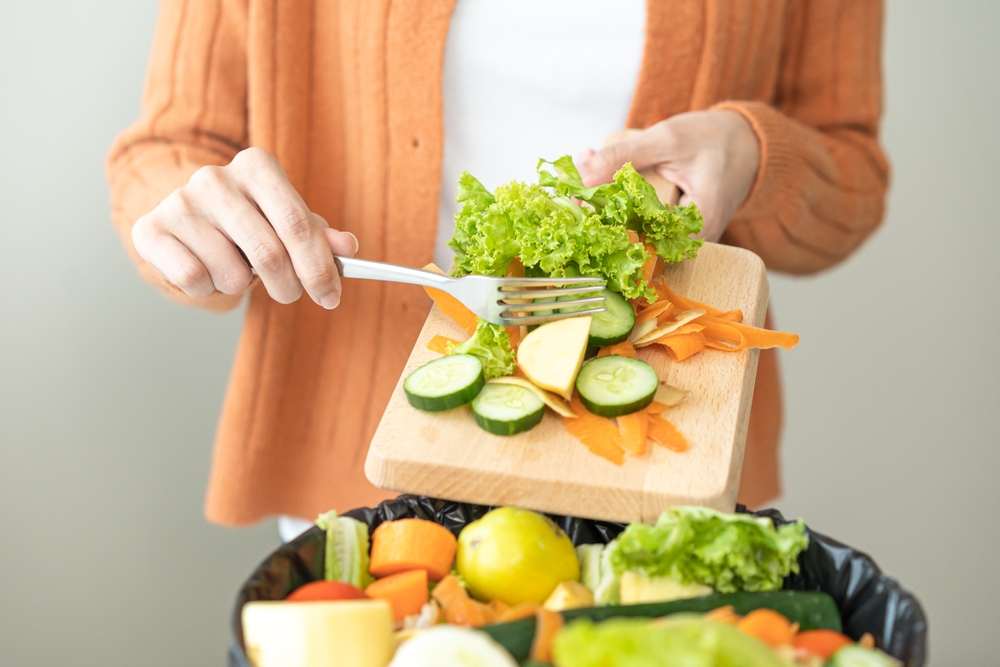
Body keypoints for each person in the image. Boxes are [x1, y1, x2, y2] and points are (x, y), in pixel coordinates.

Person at [107, 0, 888, 531]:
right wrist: (196, 218)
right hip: (359, 470)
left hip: (666, 463)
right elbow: (169, 149)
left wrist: (755, 152)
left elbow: (852, 179)